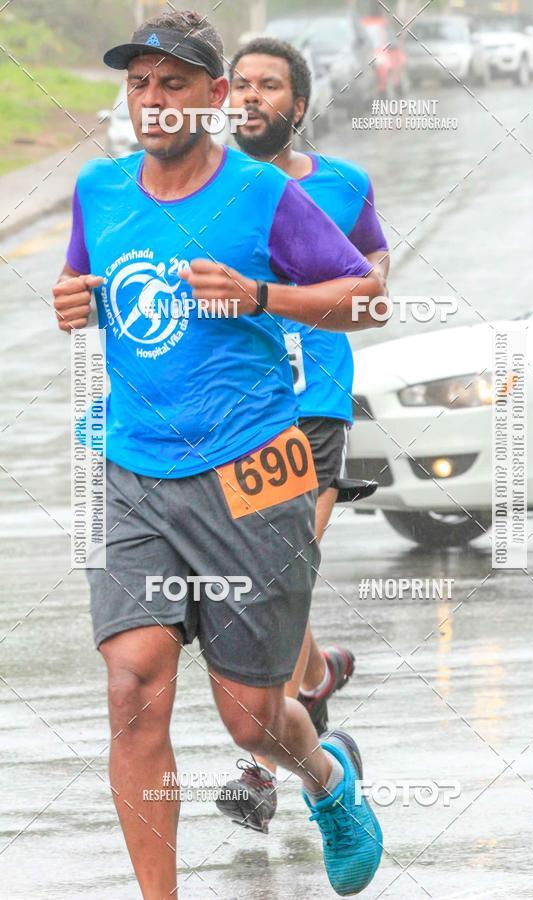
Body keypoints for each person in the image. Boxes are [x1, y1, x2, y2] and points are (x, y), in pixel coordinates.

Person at [52, 10, 387, 900]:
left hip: (251, 474)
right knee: (132, 686)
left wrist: (264, 295)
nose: (153, 100)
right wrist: (71, 302)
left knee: (249, 721)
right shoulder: (99, 190)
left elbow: (367, 297)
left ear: (214, 95)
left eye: (172, 84)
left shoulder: (265, 195)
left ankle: (325, 779)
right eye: (139, 84)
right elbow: (87, 281)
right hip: (134, 473)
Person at [216, 37, 390, 836]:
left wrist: (289, 289)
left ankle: (259, 765)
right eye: (240, 84)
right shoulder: (205, 189)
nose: (251, 97)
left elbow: (374, 276)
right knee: (270, 578)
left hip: (313, 407)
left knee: (275, 574)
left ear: (297, 104)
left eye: (268, 86)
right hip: (239, 416)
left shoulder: (344, 186)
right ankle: (318, 677)